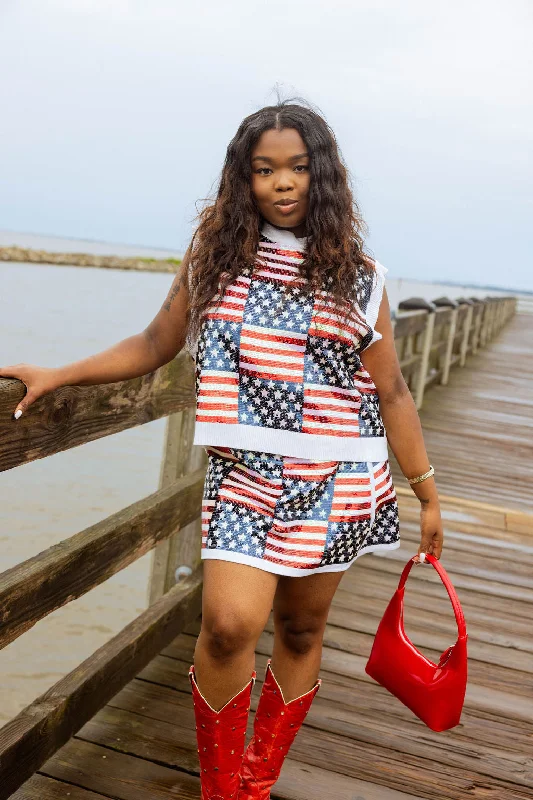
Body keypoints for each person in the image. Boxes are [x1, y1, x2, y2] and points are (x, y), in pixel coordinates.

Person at [1, 100, 443, 800]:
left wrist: (424, 489)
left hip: (338, 478)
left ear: (322, 176)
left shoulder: (361, 277)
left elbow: (390, 392)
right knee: (229, 624)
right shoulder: (214, 260)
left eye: (298, 168)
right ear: (244, 180)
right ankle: (218, 788)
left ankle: (253, 783)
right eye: (265, 169)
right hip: (244, 476)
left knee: (299, 630)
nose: (283, 183)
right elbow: (152, 345)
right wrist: (61, 372)